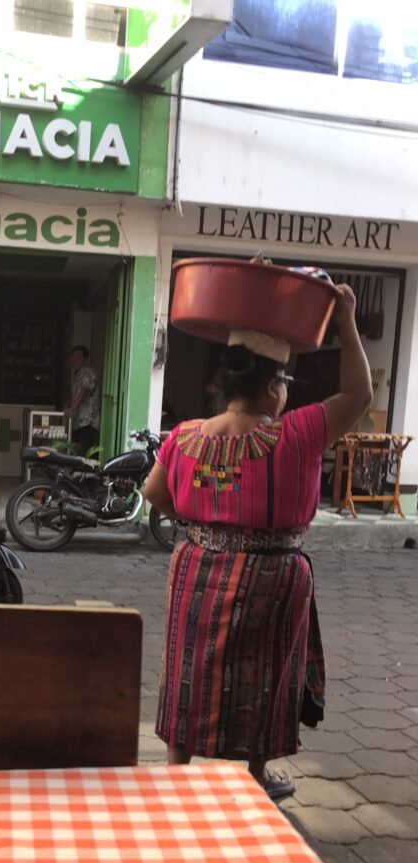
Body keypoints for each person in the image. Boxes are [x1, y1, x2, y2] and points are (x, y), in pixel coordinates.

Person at [144, 284, 371, 800]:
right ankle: (254, 773)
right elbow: (359, 395)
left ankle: (178, 767)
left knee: (188, 665)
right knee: (266, 670)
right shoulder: (297, 435)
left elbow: (153, 491)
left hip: (196, 566)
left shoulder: (184, 436)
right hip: (272, 574)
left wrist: (207, 517)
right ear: (273, 388)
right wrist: (347, 320)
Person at [64, 345, 100, 454]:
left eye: (79, 357)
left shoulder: (88, 372)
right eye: (73, 357)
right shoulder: (76, 375)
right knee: (76, 454)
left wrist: (71, 409)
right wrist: (67, 405)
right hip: (77, 423)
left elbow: (83, 392)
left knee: (84, 457)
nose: (75, 360)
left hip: (87, 423)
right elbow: (75, 395)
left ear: (85, 359)